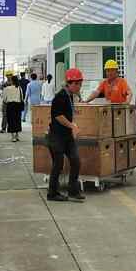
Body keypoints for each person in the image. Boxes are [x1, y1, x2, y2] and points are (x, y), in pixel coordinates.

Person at [48, 68, 85, 202]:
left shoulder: (69, 95)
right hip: (57, 136)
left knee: (75, 161)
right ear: (70, 83)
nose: (79, 87)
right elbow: (58, 116)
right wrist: (72, 126)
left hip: (67, 136)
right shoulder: (60, 97)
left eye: (80, 84)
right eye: (78, 84)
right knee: (58, 165)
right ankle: (52, 193)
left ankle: (73, 190)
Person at [2, 73, 24, 141]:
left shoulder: (7, 88)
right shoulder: (19, 88)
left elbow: (4, 99)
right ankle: (17, 135)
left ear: (12, 81)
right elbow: (22, 98)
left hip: (10, 106)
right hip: (18, 106)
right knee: (17, 120)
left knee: (11, 120)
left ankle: (13, 136)